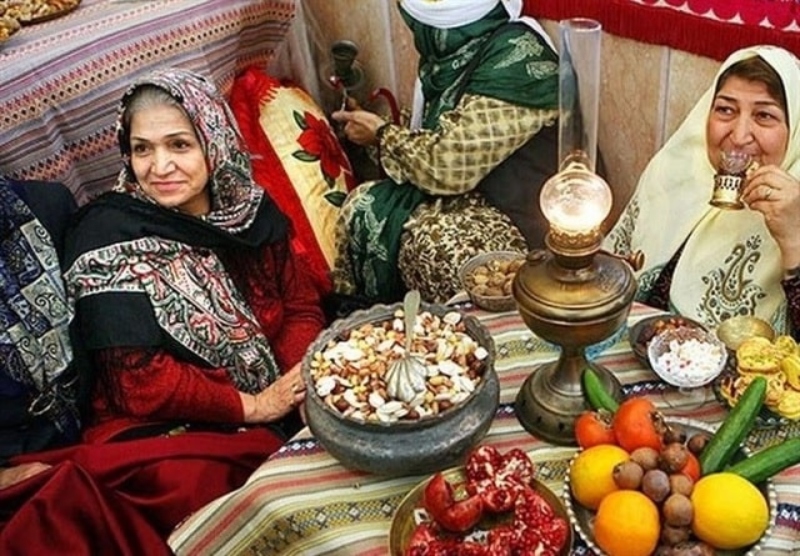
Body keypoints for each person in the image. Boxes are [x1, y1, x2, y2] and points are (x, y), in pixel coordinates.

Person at [6, 67, 325, 550]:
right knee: (217, 490)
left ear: (214, 142)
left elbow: (300, 305)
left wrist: (296, 385)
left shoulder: (250, 211)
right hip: (162, 428)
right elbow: (139, 382)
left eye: (179, 145)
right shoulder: (107, 236)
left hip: (278, 392)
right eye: (142, 149)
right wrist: (258, 405)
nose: (160, 166)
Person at [330, 0, 560, 303]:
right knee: (364, 203)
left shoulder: (514, 62)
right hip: (477, 196)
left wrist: (382, 135)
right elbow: (437, 140)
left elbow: (448, 168)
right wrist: (375, 134)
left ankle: (470, 334)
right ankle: (405, 330)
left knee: (437, 246)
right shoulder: (453, 59)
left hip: (530, 222)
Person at [604, 45, 800, 337]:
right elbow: (609, 278)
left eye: (764, 116)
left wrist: (794, 238)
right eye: (725, 110)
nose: (739, 135)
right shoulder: (673, 172)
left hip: (740, 378)